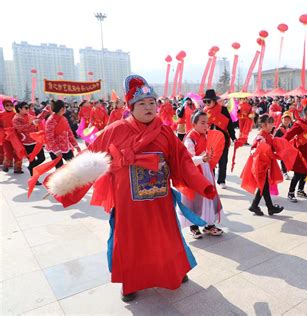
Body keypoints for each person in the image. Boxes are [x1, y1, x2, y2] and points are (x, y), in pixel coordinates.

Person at [46, 75, 216, 302]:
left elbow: (183, 160)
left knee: (165, 235)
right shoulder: (115, 130)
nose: (148, 107)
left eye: (152, 103)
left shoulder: (166, 133)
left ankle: (174, 270)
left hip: (159, 200)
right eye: (142, 104)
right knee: (130, 241)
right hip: (128, 202)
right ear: (131, 107)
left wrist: (202, 184)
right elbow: (91, 157)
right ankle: (131, 282)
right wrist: (66, 184)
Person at [179, 110, 223, 239]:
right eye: (202, 123)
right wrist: (201, 159)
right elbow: (188, 159)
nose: (206, 126)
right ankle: (194, 226)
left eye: (207, 123)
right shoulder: (190, 139)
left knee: (208, 198)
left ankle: (209, 225)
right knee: (195, 200)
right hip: (194, 172)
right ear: (194, 124)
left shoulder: (206, 135)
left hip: (206, 170)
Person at [242, 114, 284, 216]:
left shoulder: (268, 135)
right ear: (264, 125)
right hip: (259, 166)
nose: (273, 125)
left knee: (264, 186)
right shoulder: (260, 136)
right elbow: (253, 150)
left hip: (265, 166)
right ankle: (267, 207)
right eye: (270, 123)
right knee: (264, 185)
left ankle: (258, 206)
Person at [203, 89, 236, 189]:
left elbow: (230, 125)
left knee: (223, 160)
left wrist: (233, 137)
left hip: (223, 139)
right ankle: (210, 179)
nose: (207, 103)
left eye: (209, 101)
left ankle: (221, 180)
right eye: (205, 101)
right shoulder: (204, 112)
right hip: (209, 140)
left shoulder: (223, 110)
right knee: (210, 160)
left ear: (214, 101)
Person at [12, 101, 45, 179]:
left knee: (42, 158)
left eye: (28, 107)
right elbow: (21, 128)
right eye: (26, 108)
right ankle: (34, 178)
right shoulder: (16, 119)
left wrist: (44, 112)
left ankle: (31, 167)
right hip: (27, 143)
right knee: (32, 160)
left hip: (36, 141)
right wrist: (32, 124)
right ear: (19, 109)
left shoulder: (29, 116)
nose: (28, 109)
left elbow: (37, 119)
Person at [45, 100, 81, 169]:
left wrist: (75, 145)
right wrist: (56, 150)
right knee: (59, 170)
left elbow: (69, 133)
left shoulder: (64, 118)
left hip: (65, 146)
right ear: (62, 109)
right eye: (65, 107)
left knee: (73, 166)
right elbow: (49, 137)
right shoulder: (51, 120)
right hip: (55, 149)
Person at [1, 99, 23, 173]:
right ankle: (6, 165)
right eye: (7, 105)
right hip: (5, 136)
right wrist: (3, 131)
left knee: (17, 151)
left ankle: (17, 168)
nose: (9, 107)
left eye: (11, 105)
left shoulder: (16, 114)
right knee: (8, 151)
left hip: (16, 136)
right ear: (4, 106)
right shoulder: (1, 115)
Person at [273, 111, 293, 180]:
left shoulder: (290, 128)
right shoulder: (279, 129)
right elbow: (274, 138)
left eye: (288, 120)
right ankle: (284, 172)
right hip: (281, 148)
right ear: (282, 120)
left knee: (287, 160)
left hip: (287, 147)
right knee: (283, 159)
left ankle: (283, 170)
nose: (286, 121)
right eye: (285, 119)